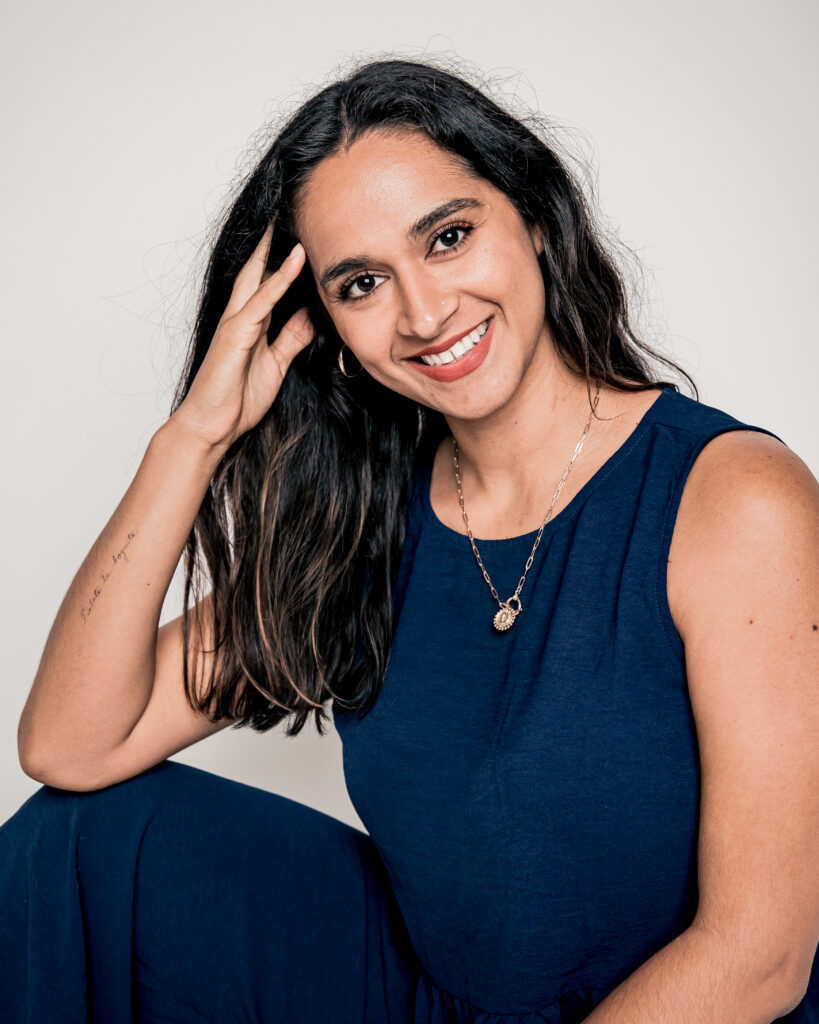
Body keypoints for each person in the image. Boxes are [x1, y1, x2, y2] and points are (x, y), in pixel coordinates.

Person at [2, 55, 817, 1024]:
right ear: (325, 329)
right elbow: (71, 747)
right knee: (89, 833)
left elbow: (760, 955)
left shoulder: (733, 496)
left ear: (537, 221)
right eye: (361, 283)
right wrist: (193, 437)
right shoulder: (365, 522)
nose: (425, 314)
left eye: (449, 236)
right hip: (438, 1001)